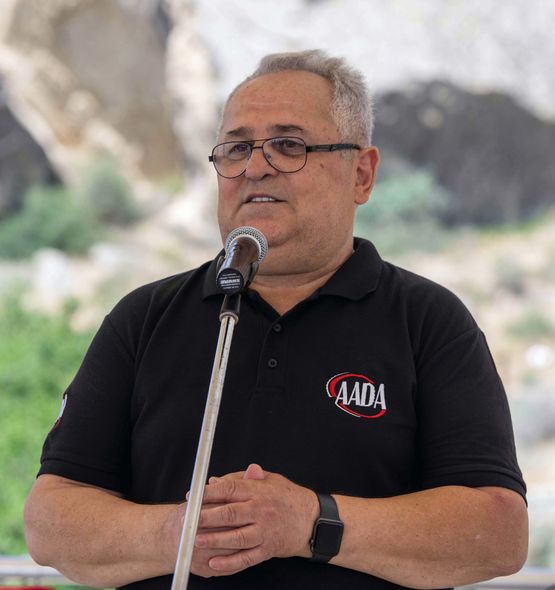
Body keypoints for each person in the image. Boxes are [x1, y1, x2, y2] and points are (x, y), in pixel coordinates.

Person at [24, 50, 528, 590]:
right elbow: (50, 521)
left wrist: (313, 524)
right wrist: (177, 534)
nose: (256, 167)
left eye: (289, 145)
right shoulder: (143, 318)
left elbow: (499, 534)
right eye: (237, 148)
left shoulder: (430, 322)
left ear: (361, 174)